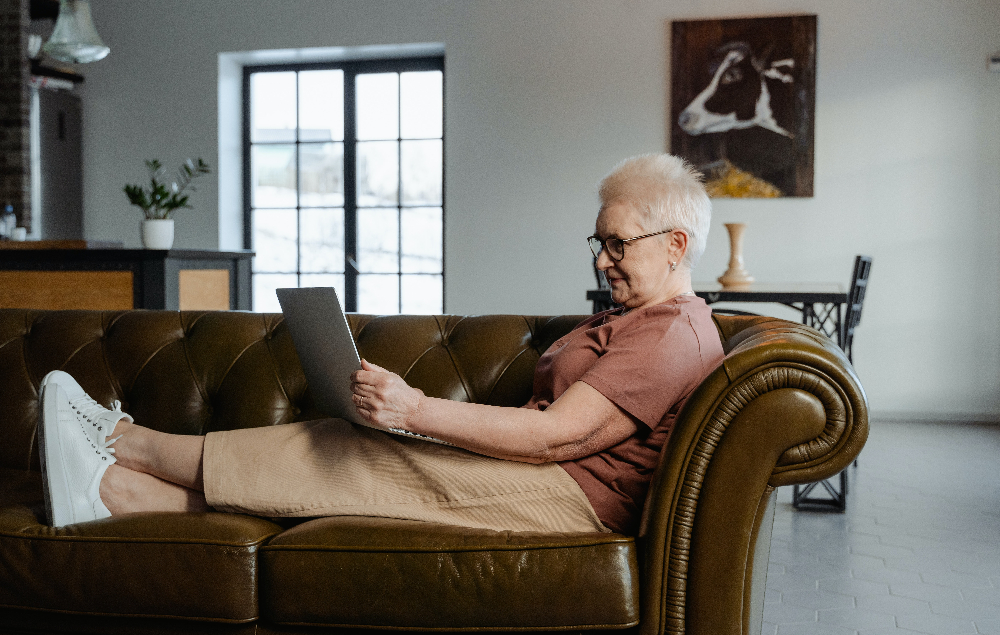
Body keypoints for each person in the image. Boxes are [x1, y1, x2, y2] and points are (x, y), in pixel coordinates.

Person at [37, 153, 724, 535]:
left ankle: (125, 442)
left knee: (343, 449)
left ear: (676, 245)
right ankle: (111, 492)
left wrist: (414, 409)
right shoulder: (629, 318)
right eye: (597, 242)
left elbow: (558, 439)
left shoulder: (673, 333)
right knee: (349, 451)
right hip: (544, 479)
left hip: (567, 498)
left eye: (617, 243)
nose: (602, 259)